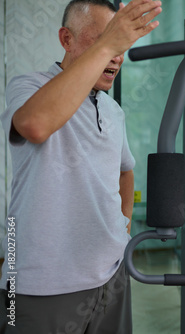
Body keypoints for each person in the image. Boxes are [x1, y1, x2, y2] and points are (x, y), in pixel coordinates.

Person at [0, 0, 162, 333]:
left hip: (109, 275)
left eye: (121, 44)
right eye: (104, 40)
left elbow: (125, 170)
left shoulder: (113, 110)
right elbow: (35, 124)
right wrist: (107, 45)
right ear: (66, 39)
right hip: (35, 281)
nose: (116, 54)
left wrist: (123, 227)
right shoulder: (28, 85)